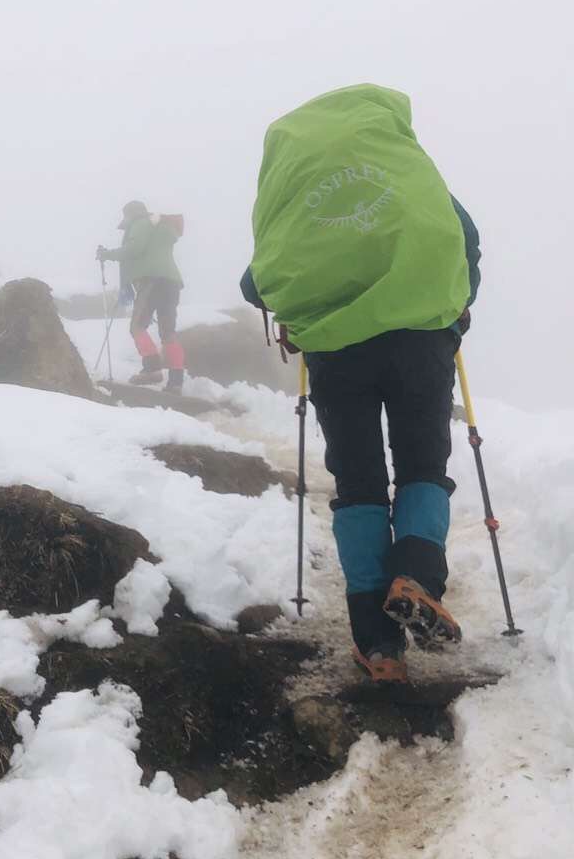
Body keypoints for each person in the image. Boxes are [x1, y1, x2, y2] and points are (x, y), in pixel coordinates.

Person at [240, 85, 481, 683]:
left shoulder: (295, 204)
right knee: (424, 465)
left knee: (360, 483)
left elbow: (256, 285)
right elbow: (465, 243)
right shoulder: (412, 183)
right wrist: (455, 308)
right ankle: (418, 577)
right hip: (422, 341)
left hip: (337, 353)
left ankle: (378, 647)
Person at [98, 201, 186, 391]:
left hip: (151, 281)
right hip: (171, 283)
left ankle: (152, 369)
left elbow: (135, 249)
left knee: (137, 326)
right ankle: (176, 381)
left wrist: (107, 254)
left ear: (130, 215)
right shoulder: (162, 227)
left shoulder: (141, 223)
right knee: (168, 333)